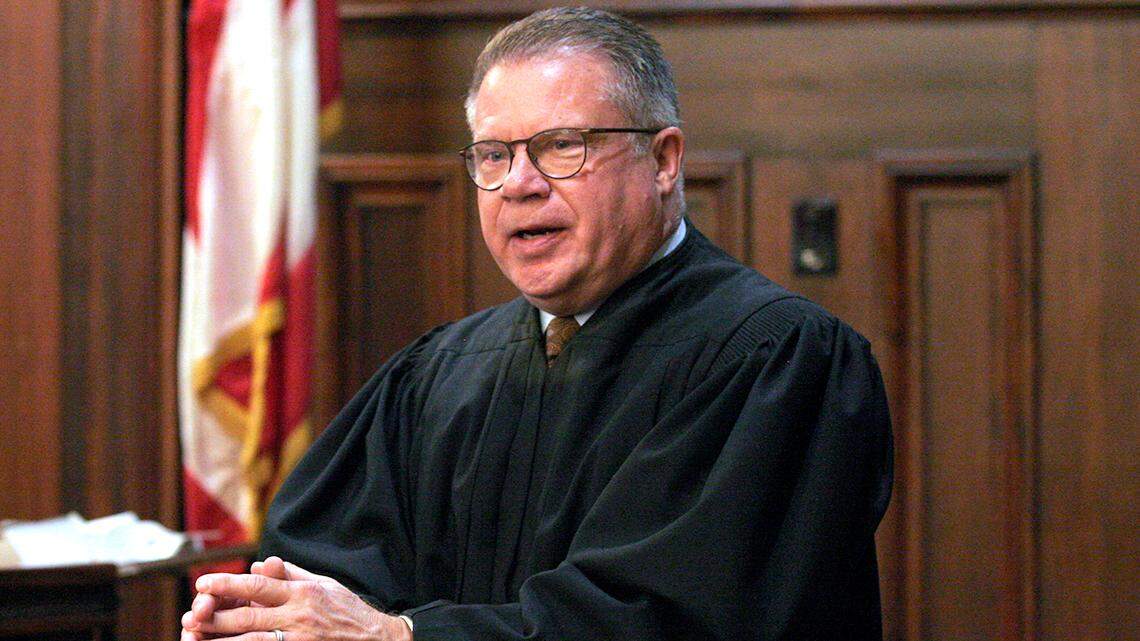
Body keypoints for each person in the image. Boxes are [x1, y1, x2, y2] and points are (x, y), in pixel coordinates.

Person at [181, 7, 893, 641]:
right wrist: (270, 623)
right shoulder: (439, 375)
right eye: (495, 155)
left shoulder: (774, 361)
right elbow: (321, 570)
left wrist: (401, 636)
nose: (520, 183)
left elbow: (674, 617)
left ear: (664, 160)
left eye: (561, 146)